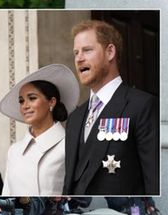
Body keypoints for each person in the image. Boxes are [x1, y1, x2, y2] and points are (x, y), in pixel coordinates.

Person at [63, 20, 159, 195]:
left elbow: (153, 181)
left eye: (87, 50)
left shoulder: (142, 106)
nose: (79, 58)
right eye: (76, 52)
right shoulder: (75, 118)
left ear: (110, 52)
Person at [0, 64, 79, 196]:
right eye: (21, 101)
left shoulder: (70, 145)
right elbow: (7, 194)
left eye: (32, 98)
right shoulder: (14, 150)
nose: (25, 106)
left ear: (52, 102)